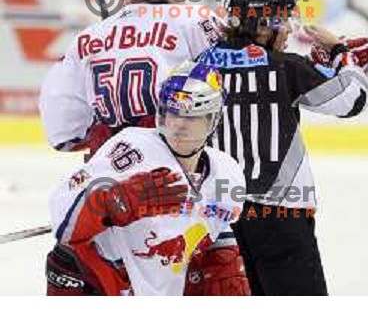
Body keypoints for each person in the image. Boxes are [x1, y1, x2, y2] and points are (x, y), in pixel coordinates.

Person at [40, 0, 248, 295]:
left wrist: (108, 134)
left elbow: (62, 131)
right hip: (181, 187)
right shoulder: (193, 21)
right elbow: (244, 66)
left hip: (114, 191)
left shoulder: (88, 39)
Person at [196, 0, 368, 295]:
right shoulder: (285, 67)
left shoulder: (200, 65)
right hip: (280, 212)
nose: (290, 29)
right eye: (282, 19)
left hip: (219, 216)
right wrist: (340, 55)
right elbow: (353, 100)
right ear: (262, 25)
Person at [48, 61, 248, 296]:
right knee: (65, 261)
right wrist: (110, 201)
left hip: (159, 289)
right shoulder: (132, 149)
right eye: (172, 113)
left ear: (213, 120)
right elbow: (63, 219)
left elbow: (214, 237)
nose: (178, 125)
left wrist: (223, 268)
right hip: (103, 281)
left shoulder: (227, 174)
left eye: (191, 117)